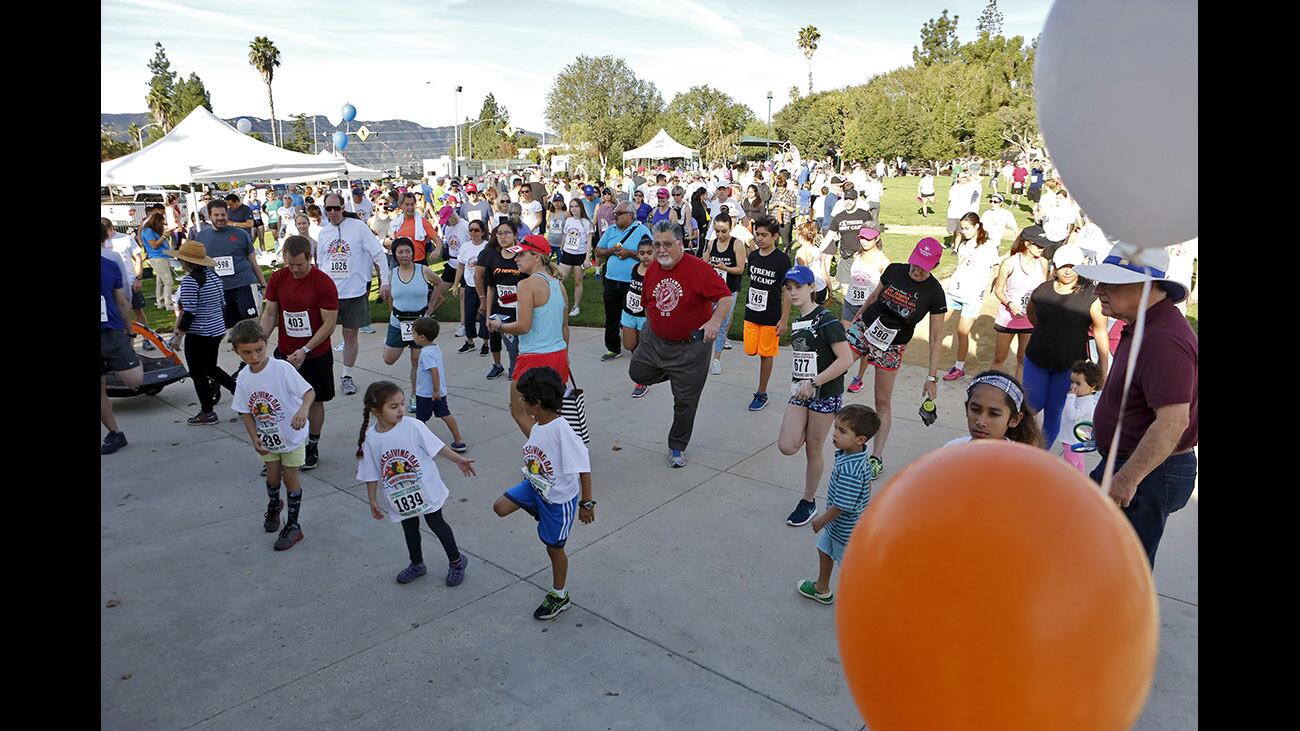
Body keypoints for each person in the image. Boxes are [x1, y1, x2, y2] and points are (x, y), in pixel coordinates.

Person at [1075, 244, 1197, 566]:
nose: (1099, 289)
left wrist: (1127, 479)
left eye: (1111, 283)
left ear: (1146, 287)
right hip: (1130, 464)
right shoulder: (1142, 326)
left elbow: (1172, 422)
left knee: (1121, 568)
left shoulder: (1162, 339)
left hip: (1147, 472)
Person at [491, 366, 594, 620]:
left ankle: (559, 596)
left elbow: (583, 466)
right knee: (500, 507)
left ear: (536, 404)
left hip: (558, 501)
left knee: (553, 547)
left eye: (524, 399)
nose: (521, 403)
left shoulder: (563, 432)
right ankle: (539, 513)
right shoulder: (539, 424)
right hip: (535, 486)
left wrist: (587, 503)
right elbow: (520, 417)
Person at [629, 221, 735, 468]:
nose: (661, 250)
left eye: (667, 244)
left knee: (685, 402)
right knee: (637, 371)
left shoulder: (698, 269)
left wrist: (714, 321)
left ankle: (677, 445)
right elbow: (648, 301)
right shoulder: (653, 268)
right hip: (656, 341)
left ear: (681, 244)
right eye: (657, 245)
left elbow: (726, 297)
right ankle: (675, 375)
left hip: (691, 348)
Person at [844, 238, 948, 479]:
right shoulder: (894, 270)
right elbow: (872, 298)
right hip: (866, 327)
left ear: (934, 265)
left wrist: (931, 377)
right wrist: (856, 321)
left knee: (882, 402)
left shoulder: (934, 293)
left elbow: (935, 338)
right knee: (838, 366)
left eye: (923, 265)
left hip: (893, 344)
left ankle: (875, 457)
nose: (916, 268)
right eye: (915, 262)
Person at [357, 379, 473, 586]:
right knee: (409, 527)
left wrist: (458, 459)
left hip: (425, 488)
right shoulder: (371, 439)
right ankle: (417, 563)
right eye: (394, 406)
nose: (401, 410)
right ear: (375, 410)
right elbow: (370, 472)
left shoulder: (413, 426)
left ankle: (456, 561)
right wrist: (372, 499)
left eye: (402, 404)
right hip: (400, 495)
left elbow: (437, 447)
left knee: (436, 523)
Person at [778, 265, 857, 526]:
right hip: (800, 390)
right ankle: (807, 429)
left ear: (812, 288)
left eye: (798, 287)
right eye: (789, 289)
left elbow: (846, 359)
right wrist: (804, 383)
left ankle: (808, 501)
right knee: (787, 445)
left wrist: (814, 381)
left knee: (814, 449)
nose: (793, 293)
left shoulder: (827, 320)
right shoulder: (799, 320)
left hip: (824, 392)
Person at [229, 319, 316, 551]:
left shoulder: (282, 369)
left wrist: (302, 411)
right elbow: (245, 411)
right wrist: (253, 437)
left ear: (266, 344)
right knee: (272, 478)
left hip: (292, 436)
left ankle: (294, 525)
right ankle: (274, 505)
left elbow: (308, 392)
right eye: (246, 352)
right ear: (236, 351)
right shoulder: (244, 378)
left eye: (259, 350)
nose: (254, 357)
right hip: (267, 438)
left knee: (290, 479)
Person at [259, 235, 339, 471]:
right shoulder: (278, 278)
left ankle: (311, 444)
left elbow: (329, 324)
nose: (294, 269)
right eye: (289, 264)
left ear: (310, 259)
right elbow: (270, 314)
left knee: (315, 401)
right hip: (285, 352)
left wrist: (305, 349)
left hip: (315, 354)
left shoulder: (323, 283)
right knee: (282, 403)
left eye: (299, 265)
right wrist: (260, 344)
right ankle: (282, 449)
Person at [1023, 244, 1111, 448]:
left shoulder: (1092, 296)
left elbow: (1100, 331)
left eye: (1073, 266)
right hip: (1036, 360)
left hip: (1068, 368)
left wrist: (1103, 369)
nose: (1068, 271)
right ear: (1056, 266)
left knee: (1055, 412)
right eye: (1064, 266)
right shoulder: (1042, 290)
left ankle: (1039, 454)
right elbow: (1032, 314)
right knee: (1030, 407)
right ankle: (1021, 447)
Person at [796, 404, 881, 605]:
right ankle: (821, 588)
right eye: (835, 428)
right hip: (840, 527)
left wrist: (821, 522)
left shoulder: (851, 469)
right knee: (824, 549)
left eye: (842, 431)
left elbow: (842, 504)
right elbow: (867, 485)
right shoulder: (852, 456)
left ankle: (868, 605)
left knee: (852, 570)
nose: (834, 434)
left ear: (860, 440)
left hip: (846, 530)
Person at [487, 235, 571, 436]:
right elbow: (564, 326)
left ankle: (544, 453)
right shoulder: (558, 284)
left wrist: (499, 326)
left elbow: (523, 326)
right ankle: (559, 451)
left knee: (519, 411)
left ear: (536, 256)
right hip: (558, 356)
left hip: (533, 358)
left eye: (522, 254)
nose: (516, 259)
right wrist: (565, 356)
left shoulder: (526, 285)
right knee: (550, 413)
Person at [316, 192, 391, 396]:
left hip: (354, 292)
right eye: (328, 209)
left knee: (350, 335)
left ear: (343, 207)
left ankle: (346, 376)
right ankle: (319, 374)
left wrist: (384, 282)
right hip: (329, 294)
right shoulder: (323, 233)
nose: (332, 213)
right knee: (321, 336)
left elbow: (378, 255)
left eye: (336, 208)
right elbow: (320, 264)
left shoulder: (358, 227)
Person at [167, 240, 237, 425]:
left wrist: (178, 335)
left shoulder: (191, 282)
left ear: (187, 262)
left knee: (198, 373)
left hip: (199, 334)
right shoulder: (214, 277)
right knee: (210, 368)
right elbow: (222, 304)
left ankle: (207, 412)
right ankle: (238, 391)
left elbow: (188, 312)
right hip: (216, 330)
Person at [940, 213, 1002, 382]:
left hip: (972, 295)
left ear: (977, 226)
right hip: (954, 291)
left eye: (967, 228)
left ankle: (959, 367)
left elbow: (996, 267)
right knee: (938, 324)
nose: (964, 231)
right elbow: (961, 266)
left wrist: (992, 287)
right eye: (962, 228)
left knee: (962, 332)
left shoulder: (988, 245)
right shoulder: (964, 244)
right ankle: (933, 358)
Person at [381, 238, 440, 410]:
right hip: (398, 322)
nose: (405, 255)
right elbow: (390, 297)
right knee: (388, 359)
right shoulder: (391, 274)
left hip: (419, 323)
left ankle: (415, 395)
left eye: (408, 251)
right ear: (394, 254)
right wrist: (391, 309)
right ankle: (389, 341)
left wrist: (431, 307)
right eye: (400, 252)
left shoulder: (424, 271)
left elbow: (439, 283)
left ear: (413, 252)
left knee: (417, 361)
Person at [101, 222, 144, 455]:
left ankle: (110, 366)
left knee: (134, 379)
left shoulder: (110, 263)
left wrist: (129, 331)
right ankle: (114, 432)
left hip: (112, 330)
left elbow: (121, 301)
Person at [742, 217, 792, 411]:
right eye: (758, 234)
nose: (760, 238)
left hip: (771, 315)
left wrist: (784, 319)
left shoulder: (781, 261)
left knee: (766, 354)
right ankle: (761, 391)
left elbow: (786, 291)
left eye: (764, 235)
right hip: (751, 312)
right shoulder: (753, 256)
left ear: (775, 236)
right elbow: (752, 282)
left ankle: (761, 393)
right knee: (750, 350)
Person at [194, 198, 268, 328]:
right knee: (231, 328)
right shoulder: (201, 237)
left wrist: (263, 284)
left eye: (223, 214)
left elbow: (253, 261)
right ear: (209, 216)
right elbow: (198, 266)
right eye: (216, 215)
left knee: (251, 324)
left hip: (243, 284)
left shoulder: (240, 234)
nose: (220, 218)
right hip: (220, 289)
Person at [593, 201, 652, 362]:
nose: (615, 216)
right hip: (611, 280)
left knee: (635, 316)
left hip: (633, 283)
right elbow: (598, 250)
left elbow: (650, 255)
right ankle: (613, 348)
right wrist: (611, 250)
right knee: (611, 315)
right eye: (615, 213)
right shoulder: (611, 230)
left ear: (631, 215)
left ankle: (638, 349)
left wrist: (630, 253)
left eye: (619, 213)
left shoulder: (642, 231)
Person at [990, 226, 1050, 381]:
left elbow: (1043, 289)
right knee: (999, 358)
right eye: (1039, 245)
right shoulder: (1009, 263)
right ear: (1027, 244)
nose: (1042, 249)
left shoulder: (1043, 263)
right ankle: (992, 388)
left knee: (1023, 359)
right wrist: (1010, 304)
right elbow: (998, 290)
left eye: (1043, 245)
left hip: (1030, 319)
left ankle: (1018, 392)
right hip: (1008, 318)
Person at [841, 227, 891, 394]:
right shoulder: (857, 255)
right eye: (862, 237)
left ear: (877, 239)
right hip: (850, 303)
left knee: (863, 344)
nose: (864, 241)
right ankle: (842, 368)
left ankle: (859, 378)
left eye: (868, 238)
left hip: (869, 307)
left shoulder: (883, 262)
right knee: (846, 340)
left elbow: (887, 287)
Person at [408, 318, 467, 451]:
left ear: (422, 337)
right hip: (440, 392)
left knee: (420, 420)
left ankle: (420, 443)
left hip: (426, 393)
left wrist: (435, 390)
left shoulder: (425, 353)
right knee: (445, 414)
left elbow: (433, 371)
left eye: (414, 334)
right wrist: (438, 390)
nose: (413, 336)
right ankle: (458, 439)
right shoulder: (435, 348)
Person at [479, 223, 529, 380]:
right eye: (499, 233)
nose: (502, 236)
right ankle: (515, 378)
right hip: (502, 311)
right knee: (512, 350)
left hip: (522, 311)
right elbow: (491, 287)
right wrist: (488, 314)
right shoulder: (492, 256)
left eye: (507, 233)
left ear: (515, 235)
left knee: (525, 350)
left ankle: (521, 378)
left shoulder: (522, 256)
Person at [943, 370, 1043, 447]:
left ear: (1014, 419)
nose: (981, 422)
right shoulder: (952, 450)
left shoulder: (1022, 463)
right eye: (975, 409)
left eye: (994, 414)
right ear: (966, 408)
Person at [704, 213, 747, 375]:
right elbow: (704, 262)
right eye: (717, 231)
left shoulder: (737, 244)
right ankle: (704, 355)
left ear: (731, 228)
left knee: (722, 325)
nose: (720, 235)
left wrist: (725, 268)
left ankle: (716, 359)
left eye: (724, 231)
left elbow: (741, 269)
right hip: (711, 290)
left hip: (728, 291)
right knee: (705, 321)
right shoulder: (712, 243)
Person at [621, 236, 655, 398]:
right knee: (629, 345)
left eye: (649, 253)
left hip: (644, 316)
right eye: (642, 253)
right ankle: (644, 367)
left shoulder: (656, 271)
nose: (646, 256)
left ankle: (642, 381)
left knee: (642, 349)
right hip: (628, 311)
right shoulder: (635, 268)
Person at [454, 220, 490, 354]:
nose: (473, 233)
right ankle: (469, 341)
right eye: (471, 230)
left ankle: (486, 343)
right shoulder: (465, 247)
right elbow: (461, 266)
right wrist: (456, 283)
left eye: (476, 230)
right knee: (468, 314)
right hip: (469, 285)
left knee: (484, 314)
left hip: (484, 286)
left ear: (482, 232)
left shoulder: (487, 247)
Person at [1059, 360, 1102, 471]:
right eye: (1072, 382)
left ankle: (1070, 485)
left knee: (1070, 466)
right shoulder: (1081, 397)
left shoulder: (1086, 402)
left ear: (1092, 386)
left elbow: (1072, 414)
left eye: (1078, 383)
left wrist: (1070, 397)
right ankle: (1079, 481)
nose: (1073, 386)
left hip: (1074, 440)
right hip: (1071, 437)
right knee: (1077, 464)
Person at [557, 198, 593, 318]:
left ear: (581, 207)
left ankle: (576, 306)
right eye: (571, 206)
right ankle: (560, 302)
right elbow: (565, 235)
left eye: (576, 206)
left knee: (578, 281)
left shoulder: (586, 223)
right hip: (567, 253)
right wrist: (562, 247)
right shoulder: (568, 221)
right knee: (559, 279)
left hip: (580, 255)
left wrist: (587, 258)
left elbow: (589, 242)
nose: (573, 209)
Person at [138, 211, 174, 309]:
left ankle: (160, 302)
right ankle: (169, 304)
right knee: (168, 282)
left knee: (161, 281)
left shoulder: (152, 230)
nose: (162, 224)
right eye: (161, 222)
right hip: (158, 258)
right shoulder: (148, 231)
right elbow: (154, 245)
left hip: (162, 257)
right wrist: (164, 236)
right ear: (156, 221)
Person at [945, 172, 981, 246]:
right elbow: (950, 200)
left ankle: (957, 247)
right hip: (953, 212)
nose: (964, 179)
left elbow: (979, 180)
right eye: (962, 177)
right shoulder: (954, 187)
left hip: (963, 213)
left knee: (960, 231)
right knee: (951, 231)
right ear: (958, 178)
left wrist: (970, 176)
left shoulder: (969, 186)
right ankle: (953, 242)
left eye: (965, 177)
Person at [545, 194, 569, 259]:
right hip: (550, 242)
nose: (557, 203)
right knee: (547, 261)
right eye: (555, 201)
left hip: (561, 243)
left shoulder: (566, 213)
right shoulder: (550, 213)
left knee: (560, 263)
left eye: (559, 201)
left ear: (563, 203)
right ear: (552, 202)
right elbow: (548, 226)